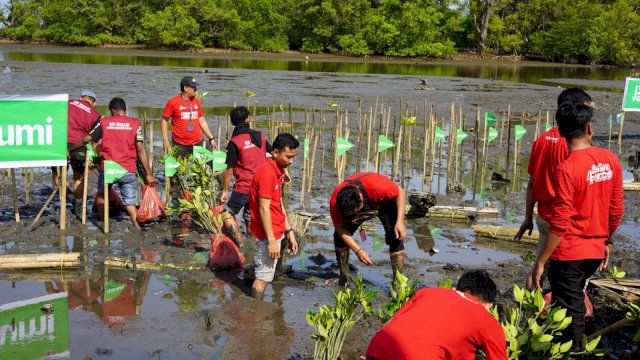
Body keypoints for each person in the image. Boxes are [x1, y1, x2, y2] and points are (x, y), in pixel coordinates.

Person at [531, 101, 624, 349]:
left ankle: (573, 352)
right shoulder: (610, 160)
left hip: (569, 255)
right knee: (569, 304)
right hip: (594, 252)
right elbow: (616, 209)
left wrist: (541, 261)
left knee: (570, 312)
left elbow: (560, 223)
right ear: (589, 128)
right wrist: (607, 240)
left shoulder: (566, 168)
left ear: (560, 132)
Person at [514, 88, 592, 289]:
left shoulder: (541, 139)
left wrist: (528, 217)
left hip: (544, 217)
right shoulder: (573, 144)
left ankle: (530, 306)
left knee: (542, 264)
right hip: (565, 220)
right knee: (567, 273)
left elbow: (531, 183)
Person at [365, 270, 507, 360]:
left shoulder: (427, 292)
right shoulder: (487, 319)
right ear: (487, 303)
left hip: (376, 351)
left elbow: (389, 323)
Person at [69, 97, 156, 229]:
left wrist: (71, 149)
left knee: (102, 195)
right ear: (125, 110)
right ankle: (136, 226)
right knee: (130, 204)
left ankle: (103, 223)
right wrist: (148, 173)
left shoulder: (104, 122)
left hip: (109, 169)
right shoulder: (135, 123)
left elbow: (87, 139)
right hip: (128, 168)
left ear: (111, 110)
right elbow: (140, 149)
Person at [330, 172, 406, 285]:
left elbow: (401, 192)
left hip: (384, 203)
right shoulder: (335, 202)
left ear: (361, 200)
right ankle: (344, 277)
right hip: (357, 206)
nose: (353, 219)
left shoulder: (379, 187)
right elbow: (340, 229)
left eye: (354, 214)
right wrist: (358, 250)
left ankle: (397, 282)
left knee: (395, 237)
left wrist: (400, 221)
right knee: (339, 239)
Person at [248, 133, 299, 299]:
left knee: (266, 275)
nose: (291, 161)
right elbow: (264, 209)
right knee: (263, 278)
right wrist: (270, 241)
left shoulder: (278, 172)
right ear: (276, 153)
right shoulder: (267, 173)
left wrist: (289, 232)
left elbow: (278, 205)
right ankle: (256, 312)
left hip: (276, 230)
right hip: (266, 234)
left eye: (293, 157)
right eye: (288, 157)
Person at [220, 106, 271, 246]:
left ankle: (238, 241)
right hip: (261, 186)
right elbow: (273, 153)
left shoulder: (235, 142)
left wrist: (224, 191)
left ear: (232, 123)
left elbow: (229, 170)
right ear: (248, 119)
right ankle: (252, 242)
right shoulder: (260, 136)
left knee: (226, 214)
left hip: (244, 187)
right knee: (250, 216)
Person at [52, 89, 101, 200]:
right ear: (94, 103)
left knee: (58, 173)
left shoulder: (67, 103)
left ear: (80, 98)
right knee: (79, 177)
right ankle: (78, 202)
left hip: (60, 142)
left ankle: (69, 197)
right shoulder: (95, 115)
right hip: (79, 145)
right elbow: (94, 140)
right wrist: (95, 160)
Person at [161, 76, 217, 156]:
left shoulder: (197, 101)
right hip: (179, 144)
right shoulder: (173, 102)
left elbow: (202, 121)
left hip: (197, 142)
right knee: (177, 168)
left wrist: (211, 138)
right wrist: (165, 140)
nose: (196, 89)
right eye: (193, 87)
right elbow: (164, 120)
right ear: (186, 88)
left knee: (214, 163)